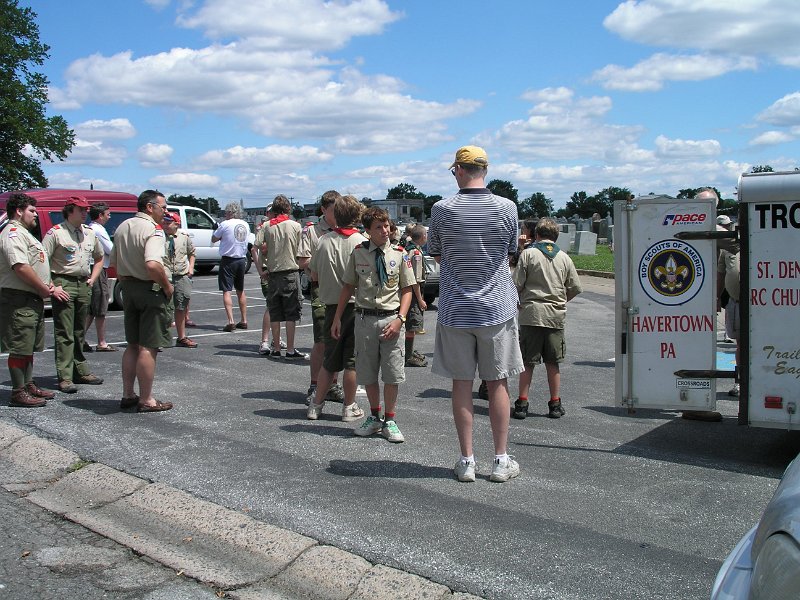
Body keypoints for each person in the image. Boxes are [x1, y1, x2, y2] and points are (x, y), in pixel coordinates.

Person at [428, 145, 524, 483]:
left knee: (461, 383)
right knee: (498, 382)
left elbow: (437, 253)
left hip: (456, 307)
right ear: (485, 169)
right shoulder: (507, 207)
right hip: (496, 307)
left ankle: (467, 459)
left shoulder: (442, 209)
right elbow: (509, 252)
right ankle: (500, 459)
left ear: (458, 169)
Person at [332, 207, 414, 443]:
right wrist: (337, 318)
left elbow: (407, 290)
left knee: (392, 373)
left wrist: (400, 319)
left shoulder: (400, 253)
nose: (385, 230)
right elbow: (348, 286)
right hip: (365, 319)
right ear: (367, 230)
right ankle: (375, 416)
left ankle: (390, 420)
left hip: (391, 320)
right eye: (378, 227)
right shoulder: (359, 253)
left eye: (386, 225)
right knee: (367, 372)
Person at [110, 190, 174, 412]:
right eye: (163, 207)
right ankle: (146, 399)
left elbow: (114, 261)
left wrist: (127, 282)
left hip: (128, 287)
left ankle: (128, 394)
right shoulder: (153, 229)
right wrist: (166, 286)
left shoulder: (123, 227)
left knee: (132, 345)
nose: (165, 211)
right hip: (150, 290)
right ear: (149, 207)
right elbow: (153, 264)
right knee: (149, 346)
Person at [512, 217, 582, 420]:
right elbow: (575, 287)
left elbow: (516, 284)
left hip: (531, 314)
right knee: (553, 362)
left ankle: (522, 403)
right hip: (555, 315)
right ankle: (555, 403)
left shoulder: (528, 254)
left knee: (527, 361)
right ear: (556, 237)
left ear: (537, 235)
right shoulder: (564, 258)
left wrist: (519, 302)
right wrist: (561, 300)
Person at [306, 195, 367, 422]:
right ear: (357, 216)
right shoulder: (362, 242)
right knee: (352, 361)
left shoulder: (323, 240)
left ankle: (316, 405)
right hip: (356, 307)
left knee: (329, 361)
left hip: (330, 306)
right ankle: (349, 406)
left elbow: (313, 275)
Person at [0, 192, 60, 407]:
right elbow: (20, 266)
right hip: (19, 298)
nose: (35, 215)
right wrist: (42, 287)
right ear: (18, 211)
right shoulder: (13, 233)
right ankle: (18, 392)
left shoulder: (26, 234)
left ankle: (27, 384)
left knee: (28, 345)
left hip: (31, 297)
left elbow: (35, 263)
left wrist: (47, 283)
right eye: (32, 211)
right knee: (19, 345)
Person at [43, 195, 105, 393]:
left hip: (83, 283)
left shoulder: (89, 233)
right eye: (81, 209)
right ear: (70, 211)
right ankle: (65, 376)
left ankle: (80, 370)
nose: (85, 212)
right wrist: (52, 286)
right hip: (64, 282)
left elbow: (99, 257)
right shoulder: (56, 233)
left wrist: (92, 279)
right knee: (65, 332)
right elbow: (42, 261)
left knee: (79, 331)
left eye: (86, 209)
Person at [297, 190, 345, 403]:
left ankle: (333, 384)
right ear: (324, 210)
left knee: (339, 339)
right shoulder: (312, 231)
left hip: (343, 288)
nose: (338, 214)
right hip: (321, 288)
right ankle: (315, 385)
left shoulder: (345, 230)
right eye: (334, 210)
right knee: (322, 340)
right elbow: (303, 261)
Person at [264, 194, 306, 360]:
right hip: (290, 272)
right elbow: (300, 248)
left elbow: (257, 247)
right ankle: (290, 349)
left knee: (275, 312)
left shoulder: (267, 226)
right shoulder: (295, 226)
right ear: (288, 208)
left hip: (273, 273)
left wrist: (261, 269)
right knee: (291, 313)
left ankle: (276, 348)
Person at [84, 202, 117, 352]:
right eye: (107, 214)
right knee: (100, 306)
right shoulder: (98, 229)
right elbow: (110, 249)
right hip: (98, 269)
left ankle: (79, 338)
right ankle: (101, 342)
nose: (109, 217)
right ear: (100, 215)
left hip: (91, 268)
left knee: (92, 308)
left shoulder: (89, 228)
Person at [212, 202, 249, 332]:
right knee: (240, 290)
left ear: (230, 213)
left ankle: (231, 321)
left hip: (228, 259)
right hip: (241, 259)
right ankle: (244, 320)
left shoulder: (225, 224)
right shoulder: (245, 225)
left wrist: (215, 229)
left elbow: (214, 238)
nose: (225, 214)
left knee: (227, 290)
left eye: (226, 212)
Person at [162, 212, 197, 348]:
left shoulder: (184, 237)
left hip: (181, 275)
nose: (165, 225)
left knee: (181, 306)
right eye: (164, 222)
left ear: (176, 224)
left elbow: (192, 253)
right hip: (165, 276)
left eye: (168, 223)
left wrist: (191, 268)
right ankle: (161, 338)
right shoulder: (159, 237)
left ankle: (181, 337)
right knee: (163, 308)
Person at [253, 205, 285, 354]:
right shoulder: (265, 227)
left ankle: (276, 339)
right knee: (271, 306)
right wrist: (260, 271)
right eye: (273, 212)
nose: (276, 215)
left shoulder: (278, 226)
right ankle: (264, 341)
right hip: (268, 270)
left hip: (278, 270)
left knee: (278, 306)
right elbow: (260, 248)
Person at [717, 215, 740, 398]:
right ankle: (740, 381)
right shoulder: (727, 247)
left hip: (759, 304)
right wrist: (717, 297)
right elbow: (720, 274)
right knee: (740, 344)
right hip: (735, 301)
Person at [403, 224, 429, 367]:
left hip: (406, 292)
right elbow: (415, 280)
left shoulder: (408, 248)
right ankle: (407, 356)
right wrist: (420, 300)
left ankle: (408, 352)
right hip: (413, 294)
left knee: (409, 325)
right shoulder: (416, 254)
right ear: (423, 236)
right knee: (412, 326)